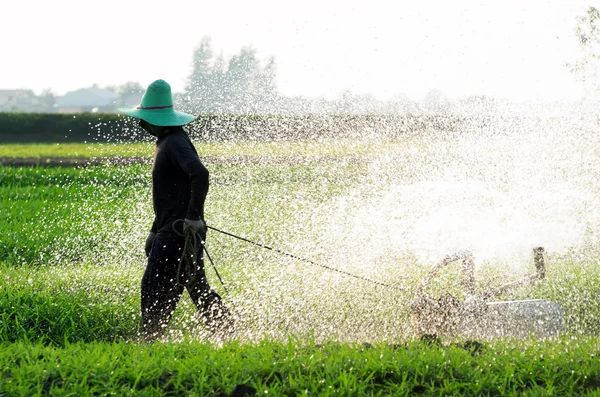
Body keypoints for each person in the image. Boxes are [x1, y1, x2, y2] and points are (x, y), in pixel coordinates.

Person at [118, 79, 233, 342]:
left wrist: (193, 217)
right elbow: (168, 198)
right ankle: (227, 333)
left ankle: (150, 341)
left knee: (154, 287)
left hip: (178, 232)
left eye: (144, 118)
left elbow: (200, 174)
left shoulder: (174, 143)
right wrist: (153, 230)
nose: (140, 124)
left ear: (158, 119)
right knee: (195, 286)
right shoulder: (168, 141)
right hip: (171, 229)